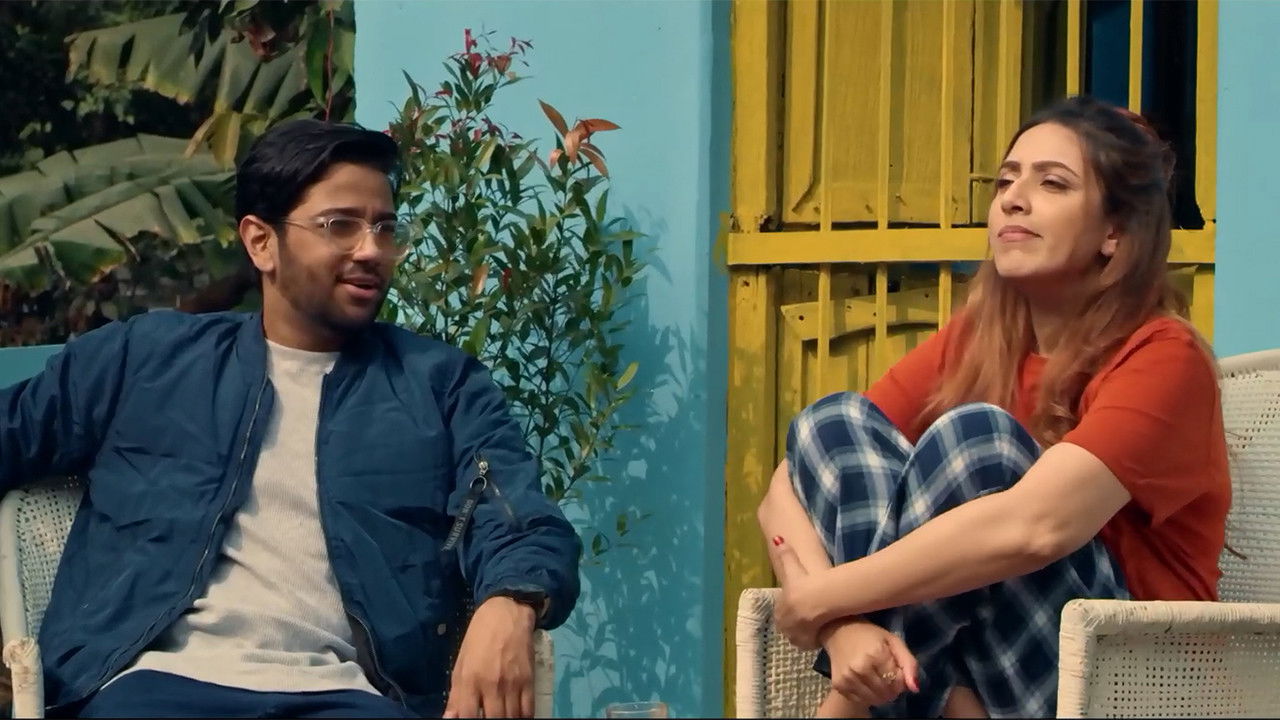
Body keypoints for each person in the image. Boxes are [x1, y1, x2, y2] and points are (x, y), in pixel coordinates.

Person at [0, 119, 581, 719]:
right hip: (154, 688)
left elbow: (516, 514)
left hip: (348, 698)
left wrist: (511, 601)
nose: (371, 251)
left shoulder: (439, 385)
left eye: (385, 228)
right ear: (261, 242)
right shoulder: (145, 362)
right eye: (340, 225)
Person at [756, 95, 1230, 719]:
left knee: (979, 444)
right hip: (985, 668)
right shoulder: (982, 341)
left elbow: (1036, 528)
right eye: (1006, 181)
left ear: (1114, 233)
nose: (1013, 199)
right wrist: (842, 627)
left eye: (1052, 184)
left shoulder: (1165, 357)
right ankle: (950, 705)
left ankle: (848, 711)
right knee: (834, 420)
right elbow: (789, 483)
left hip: (1130, 674)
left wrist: (818, 601)